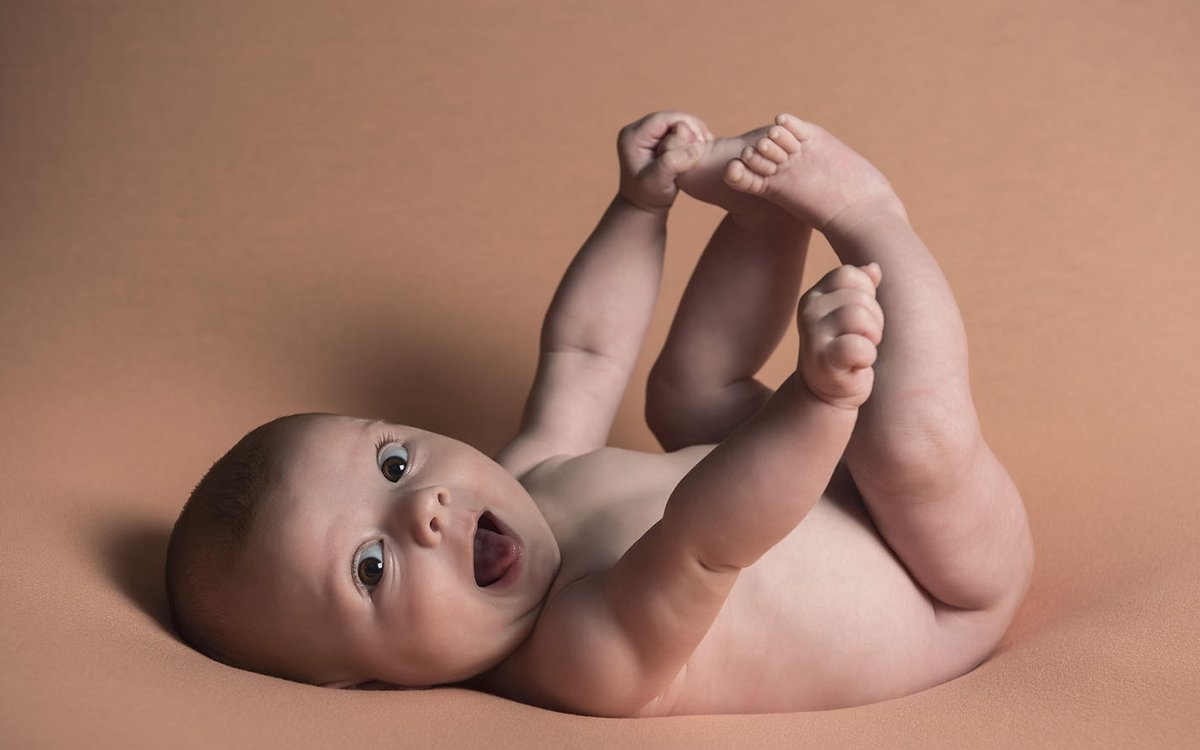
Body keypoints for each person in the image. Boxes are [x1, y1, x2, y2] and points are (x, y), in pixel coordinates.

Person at [165, 111, 1033, 716]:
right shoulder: (576, 658)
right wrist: (819, 398)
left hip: (817, 486)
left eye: (394, 466)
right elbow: (708, 539)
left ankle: (763, 222)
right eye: (370, 565)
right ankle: (869, 215)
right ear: (361, 682)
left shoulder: (525, 480)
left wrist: (638, 208)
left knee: (685, 396)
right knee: (908, 439)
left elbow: (582, 356)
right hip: (941, 580)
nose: (422, 510)